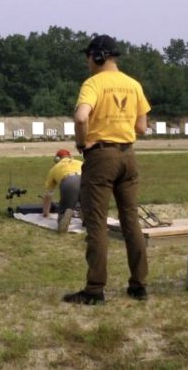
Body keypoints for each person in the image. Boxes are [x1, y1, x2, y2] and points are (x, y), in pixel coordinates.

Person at [64, 34, 151, 305]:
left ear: (98, 56)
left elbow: (81, 117)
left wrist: (81, 143)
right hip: (128, 156)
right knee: (131, 221)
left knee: (96, 223)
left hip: (101, 157)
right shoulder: (133, 84)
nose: (87, 62)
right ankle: (138, 285)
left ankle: (94, 289)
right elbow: (141, 127)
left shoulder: (93, 83)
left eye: (89, 57)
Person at [42, 149, 83, 233]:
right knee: (88, 205)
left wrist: (45, 213)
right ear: (71, 157)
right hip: (85, 180)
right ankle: (88, 218)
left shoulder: (54, 169)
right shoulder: (80, 162)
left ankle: (65, 215)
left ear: (57, 159)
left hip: (69, 181)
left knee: (66, 207)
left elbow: (48, 194)